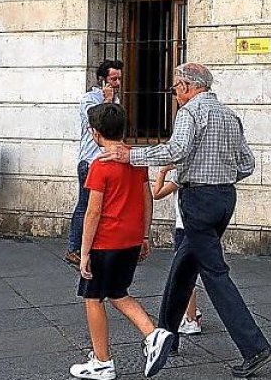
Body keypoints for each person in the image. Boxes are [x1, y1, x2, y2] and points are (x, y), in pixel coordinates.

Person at [100, 62, 271, 378]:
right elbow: (247, 164)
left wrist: (131, 155)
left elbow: (176, 151)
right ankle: (166, 336)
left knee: (215, 273)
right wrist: (221, 176)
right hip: (224, 198)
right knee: (183, 267)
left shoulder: (191, 113)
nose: (175, 95)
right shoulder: (229, 115)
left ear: (185, 86)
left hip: (198, 200)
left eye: (175, 89)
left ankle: (255, 348)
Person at [71, 103, 174, 380]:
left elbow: (93, 211)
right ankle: (153, 334)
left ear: (95, 133)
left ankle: (102, 361)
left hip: (105, 240)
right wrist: (145, 235)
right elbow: (147, 198)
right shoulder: (135, 161)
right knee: (118, 292)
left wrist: (83, 251)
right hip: (130, 238)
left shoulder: (99, 166)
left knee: (92, 298)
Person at [66, 59, 124, 266]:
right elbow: (101, 123)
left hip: (106, 160)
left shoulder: (114, 102)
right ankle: (74, 248)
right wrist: (108, 102)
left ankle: (93, 245)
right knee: (86, 206)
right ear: (102, 80)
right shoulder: (90, 100)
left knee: (101, 206)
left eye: (119, 78)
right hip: (90, 161)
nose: (117, 83)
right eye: (113, 79)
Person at [152, 164, 203, 335]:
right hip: (199, 227)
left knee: (184, 275)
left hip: (183, 227)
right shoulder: (199, 171)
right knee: (191, 272)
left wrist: (162, 171)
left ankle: (191, 319)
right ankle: (192, 313)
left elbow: (156, 193)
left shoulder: (179, 176)